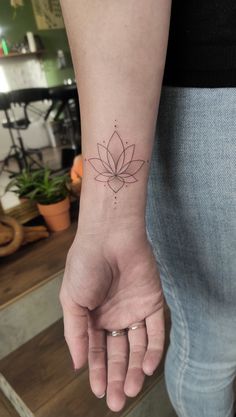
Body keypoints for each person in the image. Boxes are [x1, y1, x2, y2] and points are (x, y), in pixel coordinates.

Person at [59, 1, 236, 416]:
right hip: (213, 99)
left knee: (213, 345)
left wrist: (109, 225)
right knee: (213, 344)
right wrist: (109, 224)